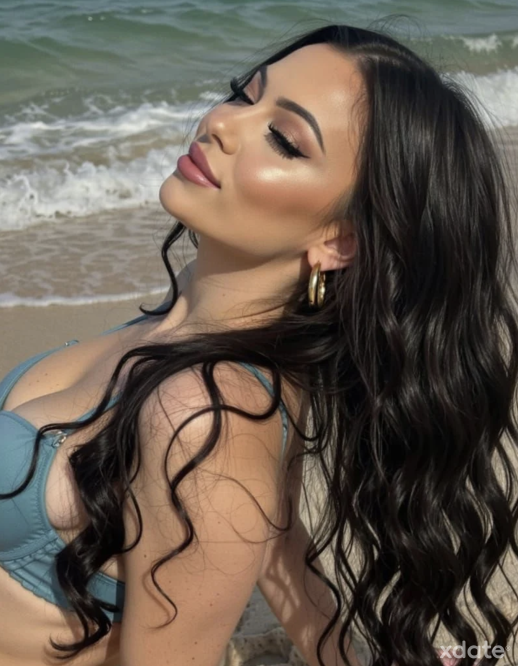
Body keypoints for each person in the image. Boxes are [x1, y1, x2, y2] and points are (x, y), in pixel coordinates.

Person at [0, 19, 517, 666]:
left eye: (284, 139)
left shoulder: (205, 418)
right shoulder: (212, 345)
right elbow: (278, 541)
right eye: (243, 94)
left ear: (340, 241)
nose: (221, 122)